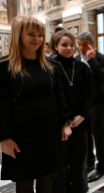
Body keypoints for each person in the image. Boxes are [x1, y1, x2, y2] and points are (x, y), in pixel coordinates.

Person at [0, 16, 72, 193]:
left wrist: (65, 123)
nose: (37, 39)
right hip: (20, 135)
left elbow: (60, 96)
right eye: (31, 34)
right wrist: (3, 138)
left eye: (40, 35)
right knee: (24, 181)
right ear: (18, 35)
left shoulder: (51, 64)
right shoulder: (5, 66)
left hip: (48, 132)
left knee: (46, 177)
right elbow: (1, 105)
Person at [50, 29, 93, 193]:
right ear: (56, 46)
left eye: (71, 45)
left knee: (79, 162)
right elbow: (54, 97)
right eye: (64, 45)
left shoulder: (83, 67)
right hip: (60, 125)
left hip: (80, 123)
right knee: (61, 165)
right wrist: (66, 121)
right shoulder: (51, 67)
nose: (68, 48)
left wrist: (82, 115)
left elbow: (90, 94)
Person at [75, 31, 104, 183]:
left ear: (92, 44)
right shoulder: (75, 59)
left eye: (85, 44)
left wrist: (92, 60)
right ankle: (90, 162)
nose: (81, 48)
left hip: (97, 103)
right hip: (82, 104)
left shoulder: (102, 59)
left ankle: (101, 166)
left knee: (98, 135)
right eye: (79, 44)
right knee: (85, 135)